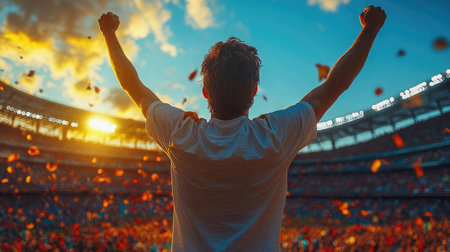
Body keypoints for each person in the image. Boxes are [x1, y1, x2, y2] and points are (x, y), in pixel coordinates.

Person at [99, 5, 386, 251]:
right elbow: (334, 85)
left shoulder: (181, 134)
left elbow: (132, 86)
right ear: (254, 91)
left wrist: (110, 34)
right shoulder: (274, 136)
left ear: (206, 93)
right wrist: (369, 30)